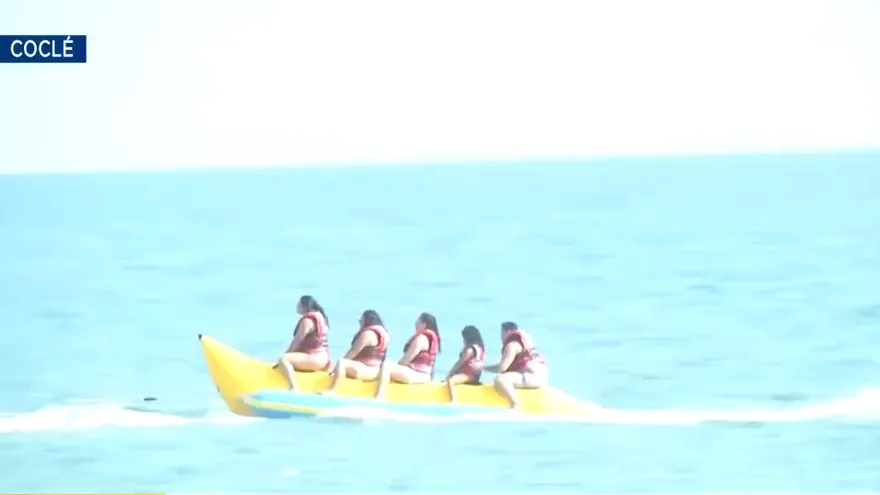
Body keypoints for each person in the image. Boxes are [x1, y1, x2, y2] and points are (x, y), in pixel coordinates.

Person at [322, 309, 390, 395]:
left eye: (361, 320)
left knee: (342, 362)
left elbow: (352, 353)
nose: (360, 322)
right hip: (376, 371)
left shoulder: (368, 334)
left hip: (366, 370)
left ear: (367, 320)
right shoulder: (385, 334)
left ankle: (333, 390)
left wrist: (334, 369)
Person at [374, 312, 441, 400]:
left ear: (424, 324)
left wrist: (395, 366)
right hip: (424, 375)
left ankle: (380, 396)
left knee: (387, 366)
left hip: (416, 375)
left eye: (418, 322)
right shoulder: (430, 339)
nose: (415, 324)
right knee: (391, 364)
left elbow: (406, 360)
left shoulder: (421, 339)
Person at [483, 321, 548, 410]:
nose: (501, 338)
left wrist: (483, 368)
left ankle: (515, 403)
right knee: (506, 376)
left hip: (533, 377)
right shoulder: (521, 343)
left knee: (501, 380)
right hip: (539, 376)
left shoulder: (512, 345)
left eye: (501, 334)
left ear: (507, 332)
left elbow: (502, 368)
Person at [276, 295, 331, 390]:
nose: (297, 306)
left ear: (304, 306)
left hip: (315, 359)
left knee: (284, 359)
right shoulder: (320, 317)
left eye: (298, 304)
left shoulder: (307, 321)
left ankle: (293, 387)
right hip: (323, 358)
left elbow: (296, 341)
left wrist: (286, 355)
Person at [444, 325, 485, 402]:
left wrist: (450, 373)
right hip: (474, 375)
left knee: (451, 380)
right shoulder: (479, 347)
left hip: (468, 375)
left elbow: (460, 362)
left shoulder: (470, 349)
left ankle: (453, 400)